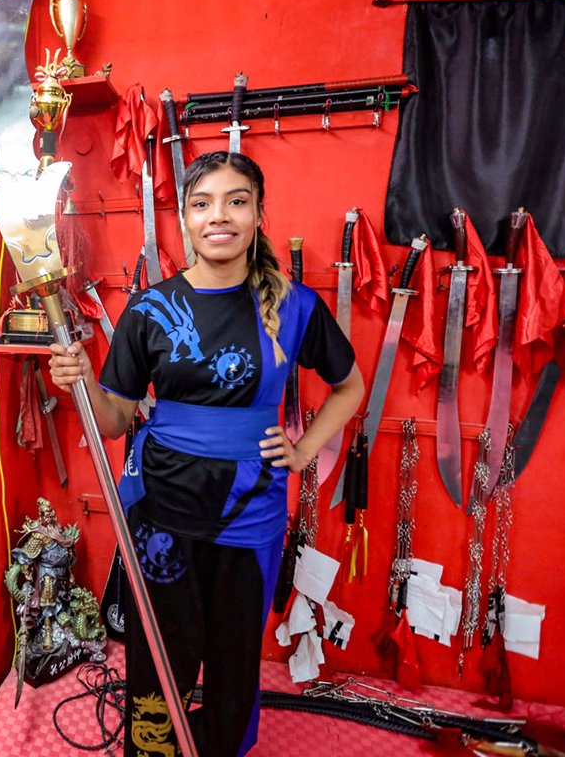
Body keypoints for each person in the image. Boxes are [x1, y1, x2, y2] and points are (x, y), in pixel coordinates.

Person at [48, 152, 364, 756]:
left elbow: (350, 387)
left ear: (258, 215)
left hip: (250, 510)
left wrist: (303, 452)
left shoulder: (295, 306)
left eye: (236, 201)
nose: (219, 216)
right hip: (160, 508)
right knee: (159, 653)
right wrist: (85, 378)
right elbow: (114, 421)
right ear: (185, 220)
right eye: (202, 203)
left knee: (234, 656)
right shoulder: (148, 309)